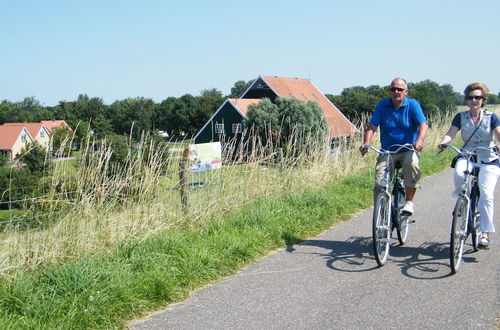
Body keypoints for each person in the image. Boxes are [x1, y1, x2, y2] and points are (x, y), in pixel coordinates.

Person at [438, 82, 500, 248]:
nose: (474, 100)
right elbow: (451, 133)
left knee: (487, 195)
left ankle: (485, 234)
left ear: (483, 100)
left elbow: (498, 134)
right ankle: (461, 199)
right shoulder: (461, 116)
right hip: (468, 155)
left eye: (478, 97)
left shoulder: (491, 117)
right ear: (467, 100)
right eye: (471, 97)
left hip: (489, 158)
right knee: (459, 173)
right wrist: (444, 142)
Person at [360, 77, 428, 216]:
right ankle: (382, 213)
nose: (396, 91)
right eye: (393, 89)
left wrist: (419, 141)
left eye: (400, 89)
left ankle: (409, 202)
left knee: (412, 165)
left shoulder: (413, 105)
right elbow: (372, 126)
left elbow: (423, 125)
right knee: (380, 182)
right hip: (388, 151)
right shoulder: (382, 105)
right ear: (389, 91)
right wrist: (366, 143)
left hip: (408, 149)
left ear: (406, 91)